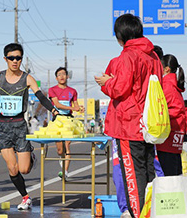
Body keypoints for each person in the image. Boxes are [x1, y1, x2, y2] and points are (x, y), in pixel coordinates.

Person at [0, 43, 58, 210]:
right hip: (2, 126)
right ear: (5, 59)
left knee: (24, 169)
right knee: (12, 167)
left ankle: (30, 157)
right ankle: (25, 197)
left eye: (18, 58)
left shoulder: (27, 78)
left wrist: (53, 110)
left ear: (21, 59)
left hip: (19, 125)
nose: (15, 61)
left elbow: (41, 96)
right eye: (11, 58)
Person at [95, 13, 163, 218]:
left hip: (129, 123)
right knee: (150, 170)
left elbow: (120, 88)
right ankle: (153, 212)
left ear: (120, 36)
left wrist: (106, 82)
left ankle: (137, 214)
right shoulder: (154, 57)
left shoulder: (127, 56)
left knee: (133, 174)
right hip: (150, 123)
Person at [48, 67, 84, 179]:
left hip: (69, 120)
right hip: (58, 120)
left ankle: (65, 171)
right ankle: (61, 158)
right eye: (59, 74)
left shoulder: (73, 91)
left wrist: (79, 108)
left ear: (67, 76)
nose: (62, 76)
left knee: (67, 145)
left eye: (64, 74)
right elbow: (57, 105)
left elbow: (76, 105)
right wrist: (72, 108)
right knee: (60, 150)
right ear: (56, 78)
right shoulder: (52, 90)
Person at [156, 54, 186, 176]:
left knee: (169, 175)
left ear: (167, 69)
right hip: (177, 133)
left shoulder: (166, 85)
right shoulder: (175, 85)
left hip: (168, 134)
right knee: (176, 172)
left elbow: (161, 108)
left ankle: (172, 196)